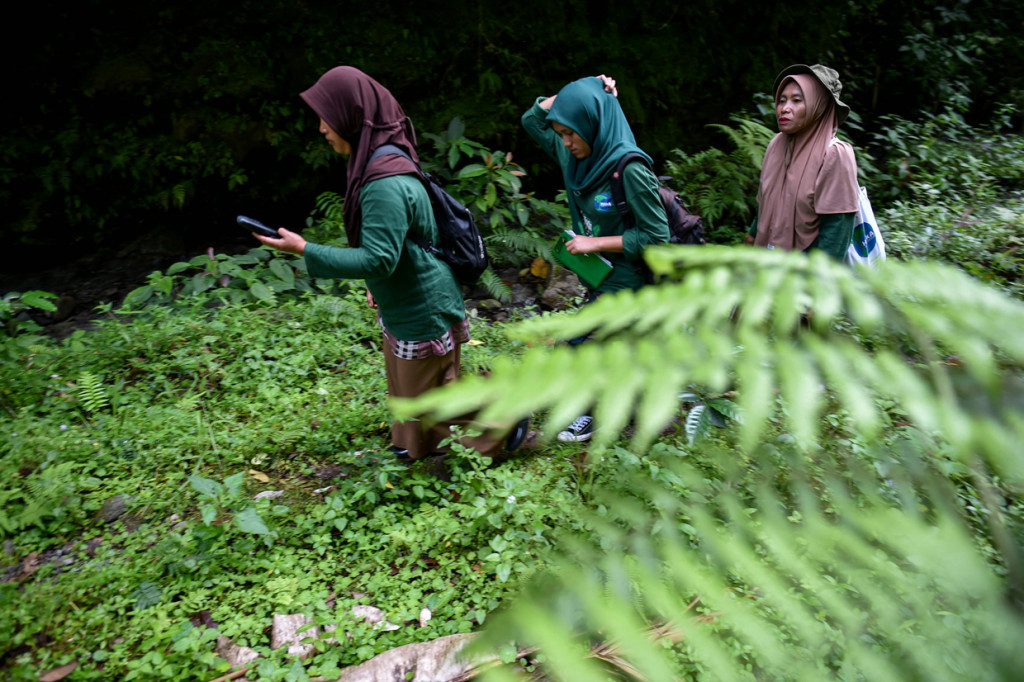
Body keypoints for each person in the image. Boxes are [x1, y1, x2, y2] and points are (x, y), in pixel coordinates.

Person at [252, 66, 528, 463]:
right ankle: (416, 447)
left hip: (422, 305)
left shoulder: (382, 181)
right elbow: (394, 247)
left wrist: (304, 250)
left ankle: (506, 411)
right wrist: (374, 283)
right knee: (411, 386)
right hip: (410, 298)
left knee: (430, 395)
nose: (320, 128)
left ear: (351, 115)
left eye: (325, 117)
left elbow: (380, 259)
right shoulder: (383, 158)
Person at [522, 75, 670, 442]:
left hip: (629, 277)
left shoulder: (629, 168)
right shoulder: (572, 153)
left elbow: (657, 237)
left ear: (594, 122)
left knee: (578, 345)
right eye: (561, 133)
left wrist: (596, 243)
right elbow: (531, 119)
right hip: (598, 277)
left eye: (572, 133)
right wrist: (583, 86)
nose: (566, 142)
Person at [744, 64, 859, 260]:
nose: (784, 108)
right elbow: (765, 201)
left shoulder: (835, 155)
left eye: (797, 100)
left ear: (819, 106)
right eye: (781, 100)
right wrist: (752, 235)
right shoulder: (776, 146)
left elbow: (837, 230)